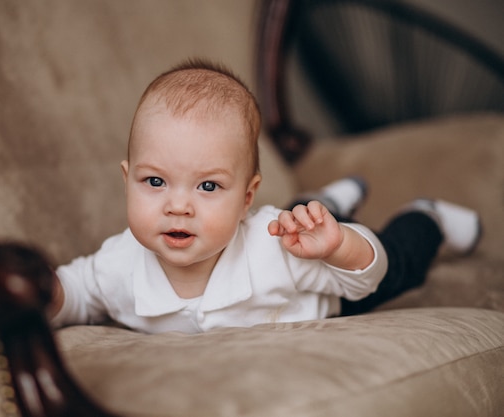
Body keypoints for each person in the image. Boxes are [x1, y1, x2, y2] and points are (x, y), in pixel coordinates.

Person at [48, 59, 481, 334]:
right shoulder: (119, 263)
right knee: (301, 220)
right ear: (127, 180)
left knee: (394, 260)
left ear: (247, 197)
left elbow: (365, 278)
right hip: (293, 229)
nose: (177, 206)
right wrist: (48, 295)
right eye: (155, 182)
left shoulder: (276, 250)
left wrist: (341, 246)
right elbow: (78, 292)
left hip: (334, 292)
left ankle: (427, 216)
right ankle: (324, 201)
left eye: (208, 186)